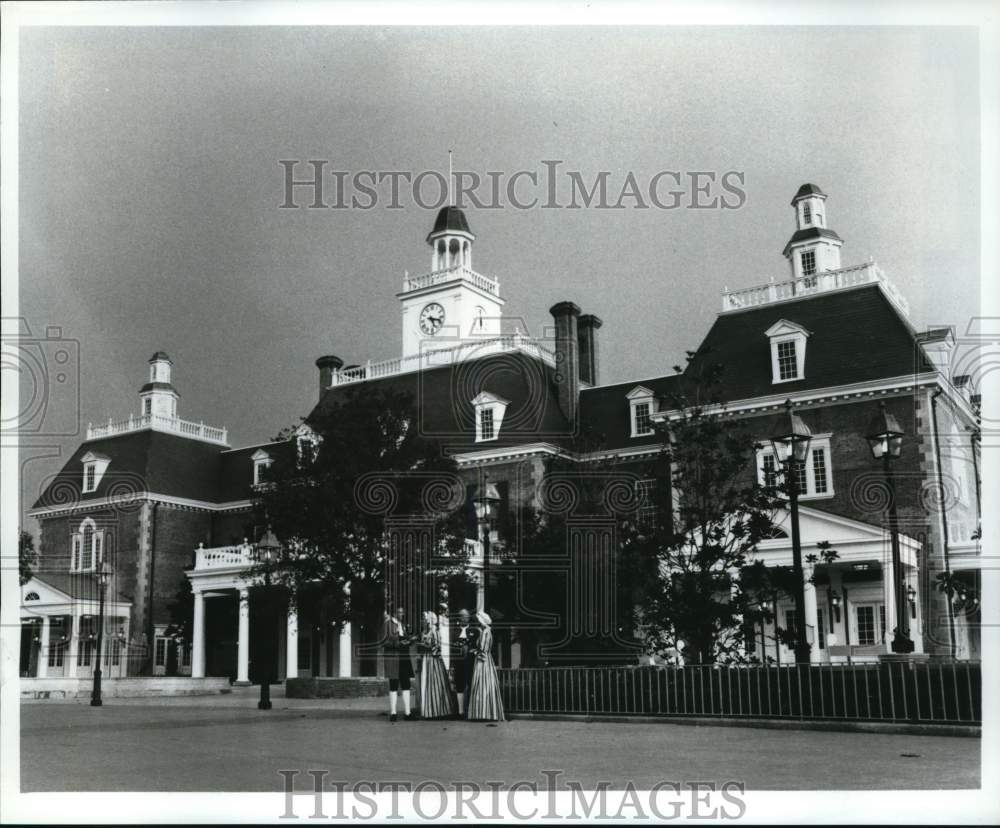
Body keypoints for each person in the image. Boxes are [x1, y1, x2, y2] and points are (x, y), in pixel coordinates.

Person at [417, 610, 458, 720]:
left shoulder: (435, 631)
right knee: (427, 683)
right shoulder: (425, 631)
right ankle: (429, 710)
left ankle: (438, 710)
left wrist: (423, 646)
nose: (423, 621)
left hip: (433, 660)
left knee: (435, 683)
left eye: (425, 619)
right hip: (427, 659)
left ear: (430, 620)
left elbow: (436, 647)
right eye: (423, 619)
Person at [467, 610, 506, 722]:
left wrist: (475, 652)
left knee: (481, 684)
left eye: (479, 621)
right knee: (485, 685)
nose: (478, 623)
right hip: (486, 660)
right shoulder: (486, 631)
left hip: (483, 661)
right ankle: (485, 712)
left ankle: (483, 713)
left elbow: (483, 649)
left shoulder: (485, 632)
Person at [383, 606, 415, 722]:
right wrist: (398, 643)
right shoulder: (388, 624)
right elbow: (384, 642)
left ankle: (407, 713)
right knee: (393, 684)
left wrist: (410, 640)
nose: (402, 615)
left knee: (406, 683)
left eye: (403, 612)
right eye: (399, 613)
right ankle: (393, 713)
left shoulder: (403, 625)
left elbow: (405, 639)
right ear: (394, 613)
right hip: (393, 658)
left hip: (404, 657)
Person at [452, 608, 479, 719]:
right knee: (459, 685)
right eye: (462, 616)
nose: (464, 618)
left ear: (469, 617)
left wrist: (470, 649)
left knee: (471, 684)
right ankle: (460, 712)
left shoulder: (474, 631)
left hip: (471, 662)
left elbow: (477, 646)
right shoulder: (455, 631)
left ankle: (471, 711)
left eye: (466, 616)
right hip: (458, 662)